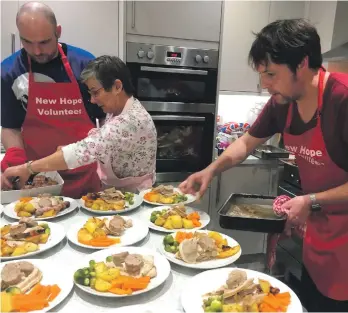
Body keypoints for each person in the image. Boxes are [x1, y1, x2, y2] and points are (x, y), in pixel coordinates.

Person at [180, 19, 348, 312]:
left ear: (303, 63)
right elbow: (245, 144)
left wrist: (312, 200)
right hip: (317, 234)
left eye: (271, 74)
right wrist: (210, 170)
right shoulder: (282, 103)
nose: (264, 84)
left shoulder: (342, 99)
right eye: (261, 74)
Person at [2, 55, 157, 193]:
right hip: (116, 193)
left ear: (117, 86)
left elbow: (82, 151)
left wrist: (27, 168)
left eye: (96, 92)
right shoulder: (117, 109)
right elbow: (107, 142)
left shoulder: (130, 120)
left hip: (134, 197)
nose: (92, 100)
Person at [1, 1, 105, 198]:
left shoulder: (85, 64)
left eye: (44, 42)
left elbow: (106, 118)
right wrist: (15, 157)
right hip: (37, 179)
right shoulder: (8, 71)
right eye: (27, 42)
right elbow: (10, 126)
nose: (37, 51)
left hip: (85, 176)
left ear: (58, 31)